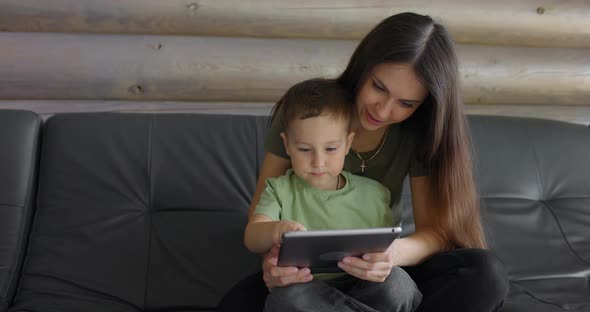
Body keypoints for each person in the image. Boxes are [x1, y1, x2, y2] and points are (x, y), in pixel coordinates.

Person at [218, 12, 508, 312]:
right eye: (379, 87)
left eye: (406, 103)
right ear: (363, 68)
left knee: (486, 275)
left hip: (378, 275)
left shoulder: (418, 133)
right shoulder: (309, 109)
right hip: (306, 277)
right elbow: (260, 218)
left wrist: (391, 255)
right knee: (239, 304)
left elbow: (434, 232)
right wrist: (273, 259)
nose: (383, 110)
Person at [244, 78, 422, 312]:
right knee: (286, 299)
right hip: (307, 285)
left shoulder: (374, 193)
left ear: (348, 144)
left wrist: (379, 264)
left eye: (330, 149)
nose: (318, 162)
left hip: (362, 283)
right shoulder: (280, 189)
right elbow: (251, 238)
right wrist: (277, 229)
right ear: (287, 146)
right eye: (305, 149)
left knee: (399, 285)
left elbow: (383, 254)